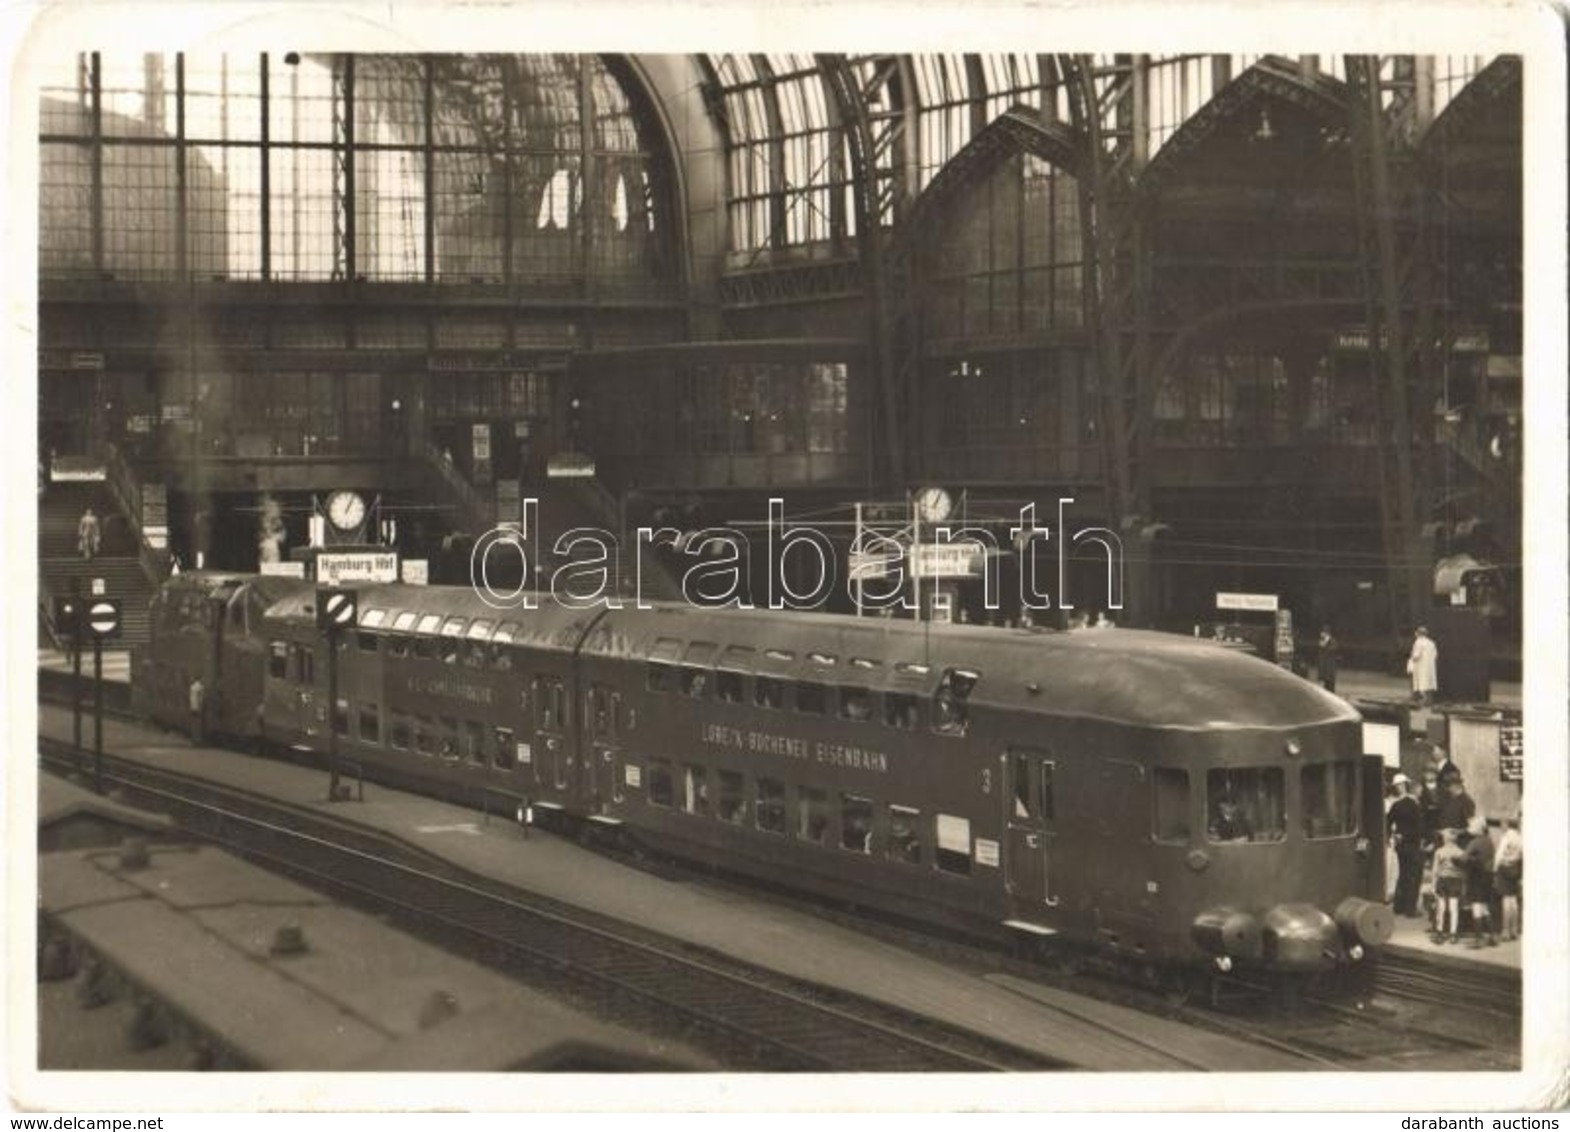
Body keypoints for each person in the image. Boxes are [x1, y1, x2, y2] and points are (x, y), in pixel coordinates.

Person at [1386, 774, 1424, 917]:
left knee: (1403, 874)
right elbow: (1419, 826)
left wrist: (1393, 836)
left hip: (1401, 845)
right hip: (1412, 843)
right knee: (1413, 876)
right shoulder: (1413, 803)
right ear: (1405, 786)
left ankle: (1398, 907)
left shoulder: (1395, 805)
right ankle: (1410, 909)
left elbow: (1387, 822)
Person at [1462, 816, 1498, 948]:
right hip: (1487, 877)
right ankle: (1492, 936)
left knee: (1476, 907)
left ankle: (1478, 940)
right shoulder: (1489, 841)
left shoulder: (1475, 842)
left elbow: (1464, 858)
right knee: (1484, 907)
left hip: (1476, 877)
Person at [1431, 828, 1466, 944]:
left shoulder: (1439, 852)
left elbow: (1435, 870)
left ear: (1445, 839)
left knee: (1441, 907)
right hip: (1456, 882)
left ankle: (1440, 933)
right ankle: (1453, 934)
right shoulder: (1461, 852)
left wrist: (1433, 885)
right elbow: (1463, 871)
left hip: (1442, 880)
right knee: (1453, 908)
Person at [1493, 816, 1523, 942]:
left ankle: (1505, 931)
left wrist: (1495, 869)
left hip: (1504, 870)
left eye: (1502, 825)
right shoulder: (1520, 838)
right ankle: (1514, 930)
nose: (1501, 827)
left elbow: (1499, 855)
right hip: (1515, 870)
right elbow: (1521, 854)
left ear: (1507, 826)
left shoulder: (1506, 838)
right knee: (1514, 901)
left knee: (1506, 901)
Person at [1407, 626, 1439, 705]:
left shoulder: (1418, 642)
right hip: (1430, 667)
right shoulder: (1431, 643)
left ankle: (1421, 700)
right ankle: (1429, 701)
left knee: (1421, 683)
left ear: (1419, 633)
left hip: (1420, 666)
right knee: (1429, 683)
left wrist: (1411, 656)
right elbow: (1436, 655)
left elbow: (1416, 656)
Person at [1317, 626, 1339, 693]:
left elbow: (1333, 649)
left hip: (1329, 667)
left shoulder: (1332, 641)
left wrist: (1324, 646)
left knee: (1330, 683)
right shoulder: (1322, 641)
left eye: (1323, 632)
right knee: (1326, 683)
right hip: (1324, 667)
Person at [188, 676, 206, 744]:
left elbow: (192, 698)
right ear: (200, 679)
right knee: (199, 724)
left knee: (194, 724)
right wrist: (201, 706)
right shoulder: (200, 687)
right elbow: (200, 698)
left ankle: (194, 739)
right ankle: (198, 739)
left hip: (192, 707)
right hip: (198, 707)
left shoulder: (192, 687)